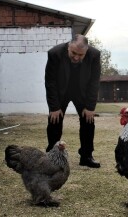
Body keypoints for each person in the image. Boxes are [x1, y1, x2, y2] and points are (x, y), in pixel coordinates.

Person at [44, 34, 101, 168]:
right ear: (69, 47)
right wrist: (54, 107)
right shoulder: (54, 53)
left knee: (88, 121)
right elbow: (50, 81)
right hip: (60, 91)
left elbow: (94, 82)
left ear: (86, 51)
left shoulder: (94, 55)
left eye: (81, 55)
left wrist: (90, 107)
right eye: (74, 53)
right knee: (54, 121)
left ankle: (86, 156)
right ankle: (53, 156)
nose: (76, 57)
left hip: (82, 92)